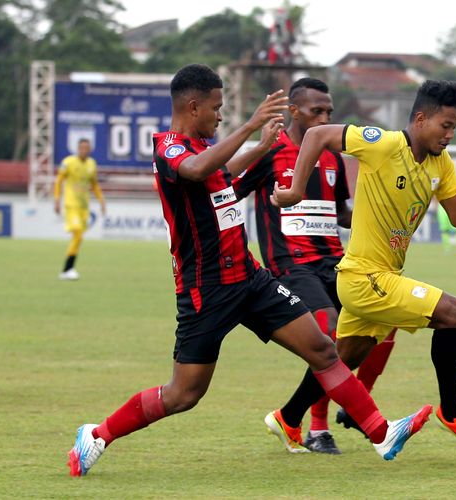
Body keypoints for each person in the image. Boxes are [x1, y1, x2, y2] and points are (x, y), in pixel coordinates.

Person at [65, 64, 432, 477]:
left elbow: (223, 172)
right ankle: (96, 435)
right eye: (216, 108)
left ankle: (382, 434)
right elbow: (196, 170)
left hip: (250, 277)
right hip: (207, 289)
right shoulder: (169, 146)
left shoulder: (206, 147)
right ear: (192, 106)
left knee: (322, 349)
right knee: (184, 394)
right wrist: (250, 125)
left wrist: (260, 146)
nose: (220, 115)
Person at [270, 80, 456, 453]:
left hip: (380, 279)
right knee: (454, 313)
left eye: (455, 128)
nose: (450, 135)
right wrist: (294, 191)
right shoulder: (383, 143)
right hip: (363, 277)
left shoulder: (441, 163)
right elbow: (319, 134)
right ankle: (452, 411)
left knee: (344, 358)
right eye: (445, 126)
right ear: (420, 119)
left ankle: (288, 417)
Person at [234, 77, 397, 454]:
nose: (324, 118)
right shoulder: (272, 152)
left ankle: (348, 407)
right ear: (293, 111)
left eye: (329, 112)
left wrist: (382, 214)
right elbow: (227, 187)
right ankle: (317, 428)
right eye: (316, 111)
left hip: (334, 261)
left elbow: (341, 213)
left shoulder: (332, 157)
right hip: (291, 264)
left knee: (387, 316)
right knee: (331, 333)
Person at [53, 138, 106, 280]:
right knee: (78, 234)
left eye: (86, 148)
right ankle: (67, 269)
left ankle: (68, 269)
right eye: (81, 147)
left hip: (84, 207)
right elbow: (58, 181)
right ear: (77, 148)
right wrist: (57, 200)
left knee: (78, 238)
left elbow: (94, 184)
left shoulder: (91, 164)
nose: (84, 150)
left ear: (90, 150)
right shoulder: (68, 162)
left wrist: (101, 201)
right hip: (71, 204)